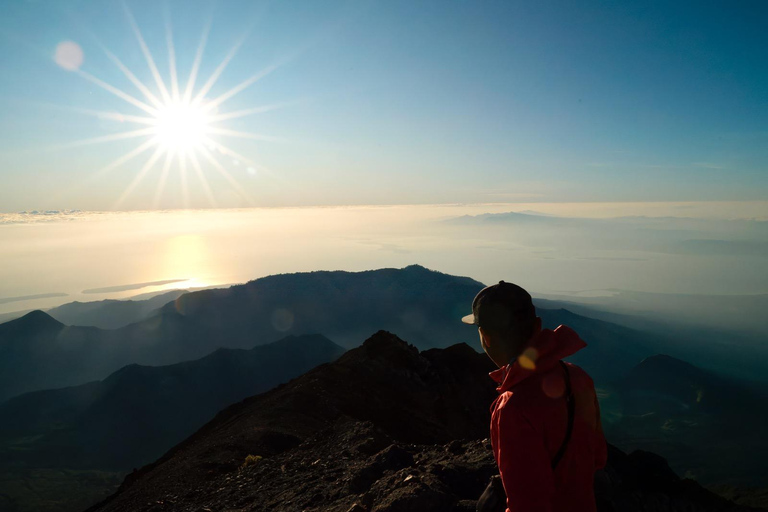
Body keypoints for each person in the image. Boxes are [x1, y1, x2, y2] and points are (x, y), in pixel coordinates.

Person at [462, 281, 607, 512]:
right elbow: (598, 457)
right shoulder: (578, 377)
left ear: (485, 337)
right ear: (537, 326)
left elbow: (527, 505)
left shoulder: (512, 407)